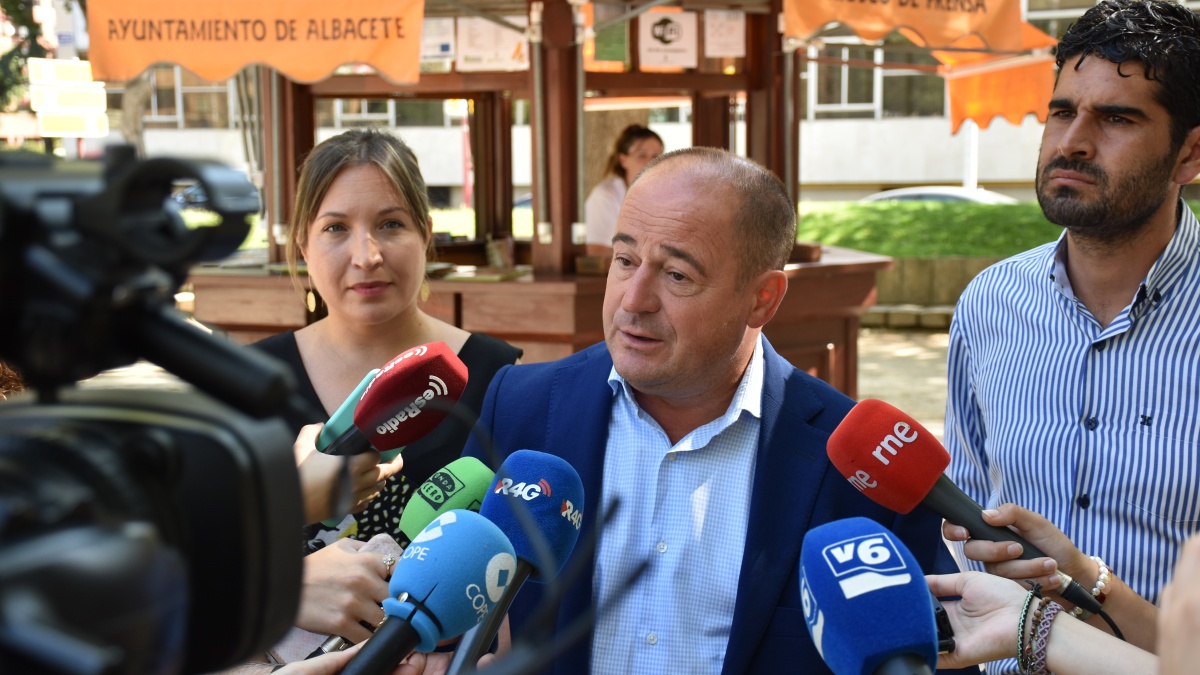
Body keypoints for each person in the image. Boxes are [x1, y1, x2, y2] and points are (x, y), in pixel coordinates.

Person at [460, 147, 971, 674]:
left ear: (763, 298)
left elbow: (932, 653)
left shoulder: (862, 470)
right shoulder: (518, 410)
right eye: (625, 260)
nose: (633, 300)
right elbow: (449, 610)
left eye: (677, 275)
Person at [942, 0, 1200, 668]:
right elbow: (960, 514)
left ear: (1190, 154)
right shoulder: (990, 303)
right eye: (1062, 111)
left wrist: (1088, 582)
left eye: (1117, 118)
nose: (1073, 142)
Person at [252, 128, 522, 651]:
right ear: (303, 245)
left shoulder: (501, 380)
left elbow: (523, 571)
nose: (366, 255)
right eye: (336, 227)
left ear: (426, 234)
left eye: (390, 224)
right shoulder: (249, 383)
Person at [582, 124, 663, 256]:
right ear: (623, 160)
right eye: (642, 155)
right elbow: (598, 251)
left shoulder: (665, 195)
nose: (650, 162)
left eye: (656, 156)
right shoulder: (605, 196)